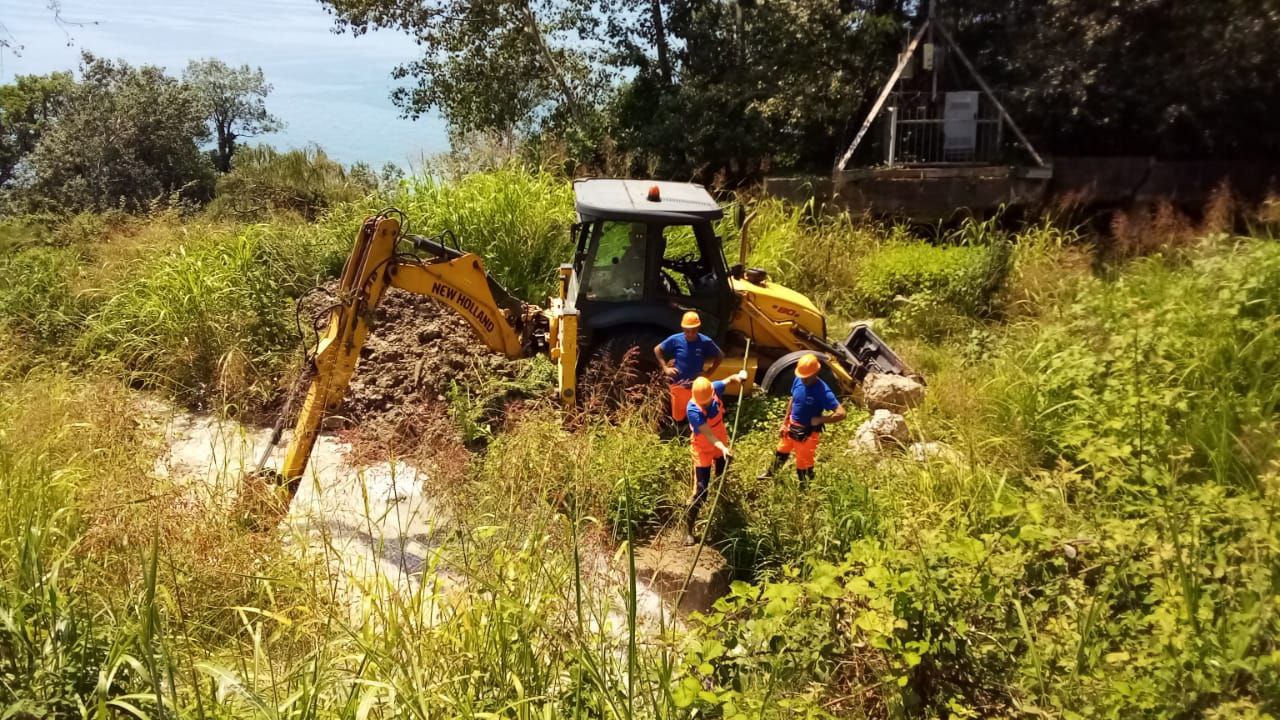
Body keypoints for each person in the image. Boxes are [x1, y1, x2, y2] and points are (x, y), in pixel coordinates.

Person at [757, 353, 846, 486]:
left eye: (806, 377)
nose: (803, 380)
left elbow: (842, 413)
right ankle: (771, 474)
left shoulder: (823, 391)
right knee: (781, 451)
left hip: (807, 432)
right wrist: (784, 423)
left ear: (816, 373)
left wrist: (820, 419)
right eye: (802, 376)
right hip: (791, 426)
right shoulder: (799, 379)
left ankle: (805, 490)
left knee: (803, 463)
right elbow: (793, 400)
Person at [684, 371, 748, 545]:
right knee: (701, 491)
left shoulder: (714, 389)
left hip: (721, 443)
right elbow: (709, 435)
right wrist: (723, 447)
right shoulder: (693, 410)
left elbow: (729, 379)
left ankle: (723, 508)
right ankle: (687, 528)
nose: (705, 406)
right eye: (702, 403)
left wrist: (739, 376)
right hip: (704, 447)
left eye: (707, 402)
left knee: (721, 478)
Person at [654, 311, 724, 423]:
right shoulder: (675, 339)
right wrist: (665, 368)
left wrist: (709, 372)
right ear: (682, 328)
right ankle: (679, 430)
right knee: (678, 415)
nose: (690, 334)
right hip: (678, 384)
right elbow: (657, 350)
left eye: (694, 330)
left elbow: (720, 355)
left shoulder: (705, 341)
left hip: (696, 386)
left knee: (697, 412)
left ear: (698, 328)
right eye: (687, 331)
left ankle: (693, 432)